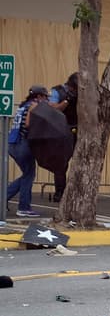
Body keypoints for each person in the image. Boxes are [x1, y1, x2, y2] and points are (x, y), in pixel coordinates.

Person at [5, 86, 45, 218]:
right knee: (29, 174)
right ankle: (24, 207)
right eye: (44, 96)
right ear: (39, 97)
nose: (45, 99)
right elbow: (28, 124)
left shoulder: (23, 106)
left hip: (12, 143)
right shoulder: (34, 105)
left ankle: (2, 199)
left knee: (27, 174)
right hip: (22, 144)